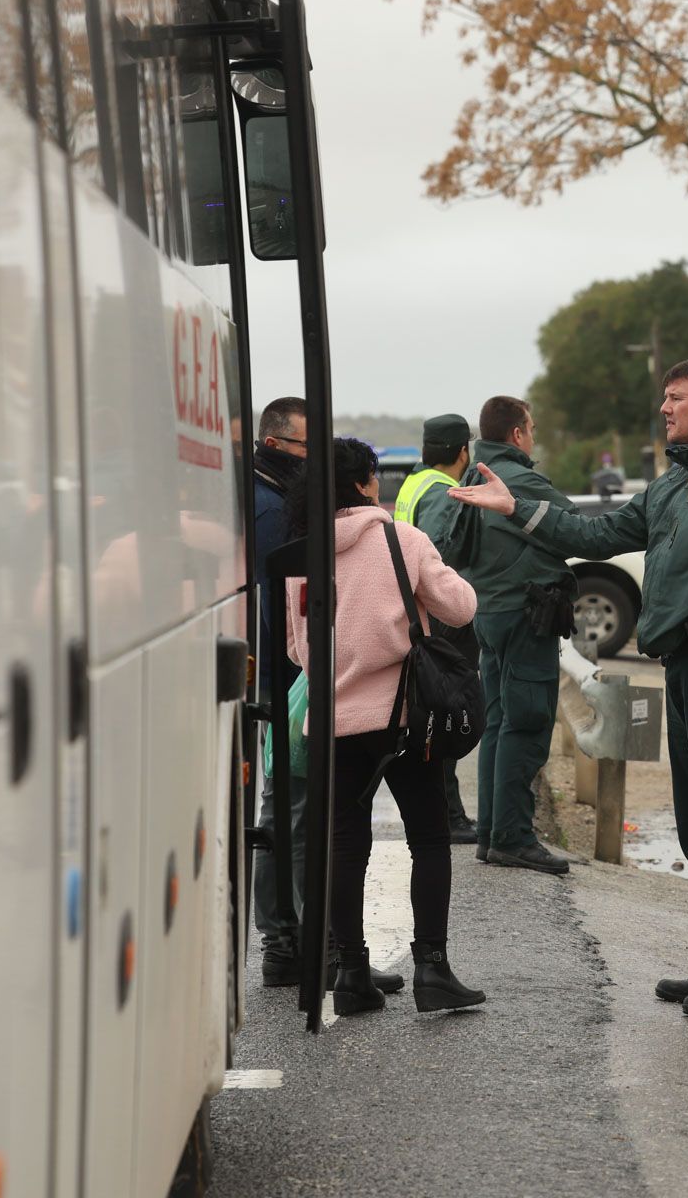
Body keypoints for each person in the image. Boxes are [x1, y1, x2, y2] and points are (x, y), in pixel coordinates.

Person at [451, 359, 688, 1026]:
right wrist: (519, 508)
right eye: (664, 397)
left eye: (676, 398)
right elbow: (597, 535)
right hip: (685, 671)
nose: (665, 408)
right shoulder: (673, 483)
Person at [285, 437, 485, 1015]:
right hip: (405, 718)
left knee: (346, 844)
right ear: (368, 481)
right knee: (428, 838)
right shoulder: (404, 540)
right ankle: (432, 969)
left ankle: (350, 973)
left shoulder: (304, 554)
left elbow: (299, 650)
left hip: (335, 721)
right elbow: (461, 609)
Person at [463, 396, 579, 875]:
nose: (532, 437)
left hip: (487, 613)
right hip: (523, 614)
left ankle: (492, 834)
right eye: (530, 428)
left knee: (498, 723)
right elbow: (575, 528)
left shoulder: (473, 474)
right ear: (517, 434)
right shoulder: (519, 478)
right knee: (527, 723)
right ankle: (513, 837)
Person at [392, 413, 480, 845]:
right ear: (463, 451)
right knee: (448, 716)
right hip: (443, 621)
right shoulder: (445, 492)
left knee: (431, 715)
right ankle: (450, 814)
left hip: (417, 614)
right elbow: (443, 562)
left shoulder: (413, 483)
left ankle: (448, 810)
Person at [251, 396, 307, 987]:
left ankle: (285, 937)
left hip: (274, 672)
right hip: (283, 675)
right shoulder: (270, 510)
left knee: (284, 802)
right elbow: (283, 608)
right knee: (288, 804)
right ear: (275, 444)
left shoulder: (267, 494)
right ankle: (283, 939)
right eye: (304, 447)